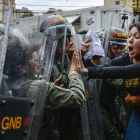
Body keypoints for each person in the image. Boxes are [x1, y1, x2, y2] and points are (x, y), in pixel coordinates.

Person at [3, 37, 86, 140]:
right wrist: (73, 73)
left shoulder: (5, 85)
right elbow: (78, 97)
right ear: (21, 68)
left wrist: (50, 91)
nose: (35, 59)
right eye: (30, 57)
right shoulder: (39, 87)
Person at [81, 22, 140, 140]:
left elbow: (122, 71)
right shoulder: (127, 58)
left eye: (137, 37)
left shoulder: (129, 66)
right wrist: (86, 57)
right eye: (129, 36)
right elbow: (104, 68)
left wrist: (89, 71)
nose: (130, 40)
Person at [99, 27, 127, 140]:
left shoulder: (116, 61)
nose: (119, 51)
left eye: (122, 47)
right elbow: (119, 83)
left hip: (110, 106)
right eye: (115, 47)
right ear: (107, 46)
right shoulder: (105, 63)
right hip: (100, 109)